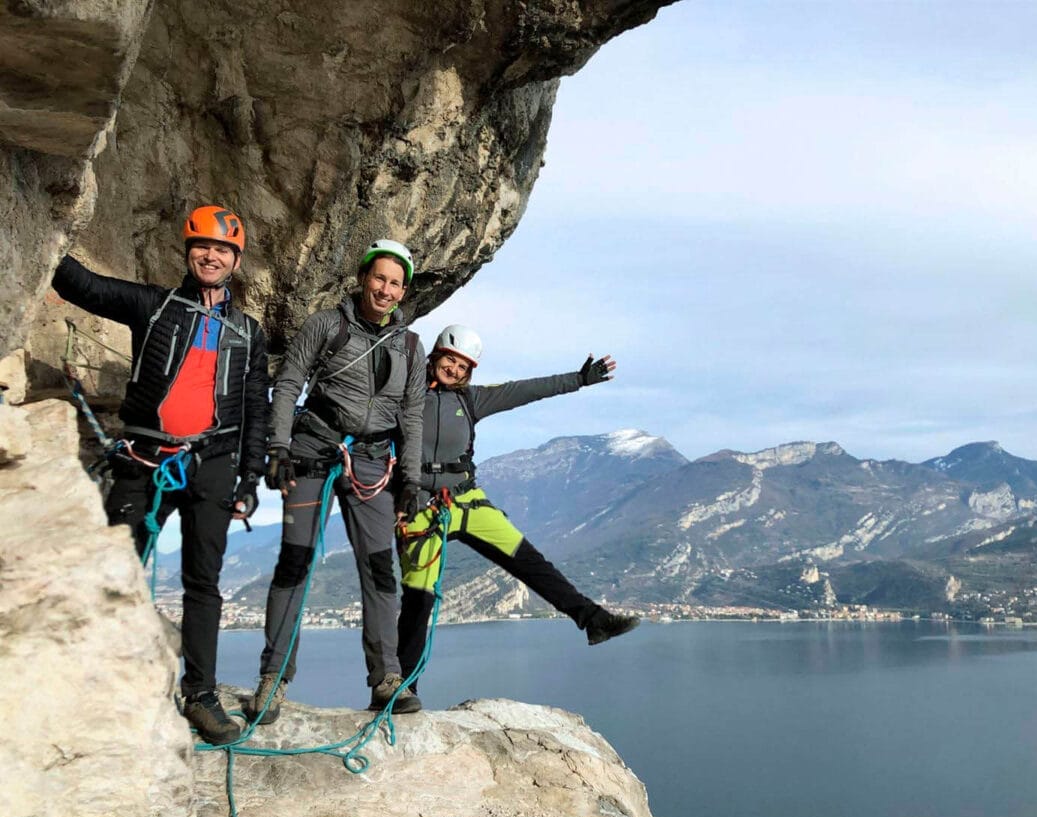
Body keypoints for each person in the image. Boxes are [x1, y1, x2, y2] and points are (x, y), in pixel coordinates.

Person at [50, 205, 270, 745]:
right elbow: (86, 286)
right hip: (145, 455)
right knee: (116, 567)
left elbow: (254, 410)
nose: (211, 255)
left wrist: (250, 477)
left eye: (222, 249)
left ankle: (200, 695)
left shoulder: (246, 332)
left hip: (213, 462)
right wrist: (44, 223)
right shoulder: (154, 306)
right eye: (202, 246)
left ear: (236, 260)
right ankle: (92, 679)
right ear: (188, 251)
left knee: (204, 582)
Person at [392, 325, 640, 712]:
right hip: (420, 505)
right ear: (435, 356)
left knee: (528, 560)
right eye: (449, 360)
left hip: (465, 499)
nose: (454, 369)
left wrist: (578, 379)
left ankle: (593, 620)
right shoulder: (406, 397)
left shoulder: (472, 401)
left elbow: (526, 390)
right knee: (418, 600)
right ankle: (402, 689)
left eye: (463, 365)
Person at [251, 239, 425, 724]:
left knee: (380, 569)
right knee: (295, 562)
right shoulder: (327, 325)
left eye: (395, 283)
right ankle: (274, 677)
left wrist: (409, 479)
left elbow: (412, 415)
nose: (385, 290)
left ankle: (386, 676)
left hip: (372, 462)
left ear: (403, 290)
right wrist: (279, 447)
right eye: (379, 279)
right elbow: (287, 383)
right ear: (363, 278)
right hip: (314, 448)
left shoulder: (410, 346)